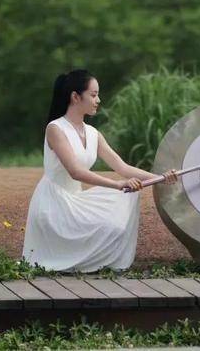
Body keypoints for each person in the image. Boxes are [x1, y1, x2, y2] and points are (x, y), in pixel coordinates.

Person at [22, 69, 178, 272]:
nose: (98, 100)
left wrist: (161, 177)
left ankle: (92, 261)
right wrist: (117, 185)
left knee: (123, 209)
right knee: (114, 213)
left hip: (75, 199)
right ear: (75, 97)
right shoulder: (55, 129)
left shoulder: (93, 133)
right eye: (93, 95)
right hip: (54, 204)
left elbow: (122, 167)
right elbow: (76, 172)